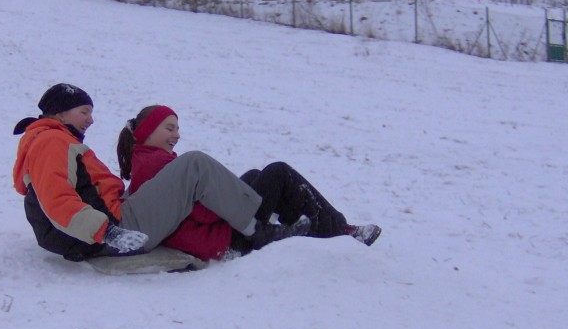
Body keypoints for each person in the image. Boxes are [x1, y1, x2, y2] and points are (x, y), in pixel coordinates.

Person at [13, 84, 307, 262]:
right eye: (84, 112)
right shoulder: (51, 141)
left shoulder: (54, 141)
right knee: (195, 163)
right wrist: (108, 232)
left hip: (112, 224)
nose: (91, 119)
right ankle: (256, 230)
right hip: (116, 229)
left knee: (228, 173)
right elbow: (56, 198)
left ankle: (276, 225)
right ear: (60, 113)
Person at [117, 105, 381, 262]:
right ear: (147, 131)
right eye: (169, 128)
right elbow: (201, 213)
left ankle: (313, 228)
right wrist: (231, 202)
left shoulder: (148, 162)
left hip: (212, 234)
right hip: (222, 240)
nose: (177, 135)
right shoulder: (157, 165)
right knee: (278, 174)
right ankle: (341, 230)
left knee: (256, 176)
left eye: (177, 128)